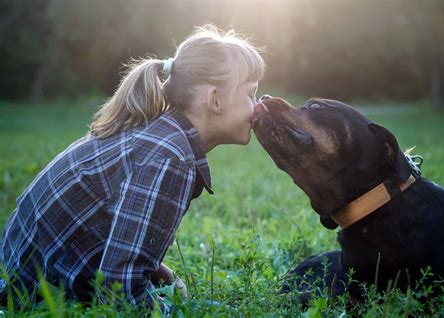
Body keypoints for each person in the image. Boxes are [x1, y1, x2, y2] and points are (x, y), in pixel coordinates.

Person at [0, 25, 265, 307]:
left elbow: (122, 233)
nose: (258, 105)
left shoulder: (161, 137)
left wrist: (166, 276)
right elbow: (119, 295)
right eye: (251, 94)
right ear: (214, 100)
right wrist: (178, 311)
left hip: (16, 277)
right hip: (26, 299)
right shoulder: (168, 157)